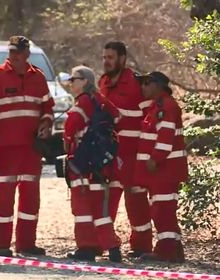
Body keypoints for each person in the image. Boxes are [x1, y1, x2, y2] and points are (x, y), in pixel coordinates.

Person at [0, 36, 54, 257]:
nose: (13, 56)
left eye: (18, 52)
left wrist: (46, 124)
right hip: (6, 149)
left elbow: (47, 108)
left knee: (31, 198)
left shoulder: (39, 77)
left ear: (27, 54)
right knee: (3, 199)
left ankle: (26, 244)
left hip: (31, 150)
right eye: (11, 51)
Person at [98, 41, 153, 257]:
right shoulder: (102, 82)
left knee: (136, 200)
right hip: (109, 154)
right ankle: (105, 243)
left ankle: (142, 247)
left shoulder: (137, 85)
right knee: (106, 200)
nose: (106, 62)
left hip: (132, 154)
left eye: (110, 57)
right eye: (104, 57)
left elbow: (148, 119)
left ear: (122, 59)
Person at [63, 65, 122, 262]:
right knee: (100, 208)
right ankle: (112, 247)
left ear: (85, 81)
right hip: (100, 164)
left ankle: (86, 248)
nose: (71, 82)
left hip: (82, 164)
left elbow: (70, 130)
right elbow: (117, 117)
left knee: (82, 209)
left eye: (74, 79)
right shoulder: (101, 100)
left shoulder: (82, 104)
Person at [134, 71, 187, 263]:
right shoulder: (156, 107)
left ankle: (166, 252)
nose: (143, 87)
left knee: (162, 211)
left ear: (157, 85)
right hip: (161, 172)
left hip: (165, 170)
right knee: (163, 209)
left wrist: (155, 159)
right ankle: (174, 250)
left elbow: (165, 138)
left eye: (146, 83)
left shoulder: (166, 107)